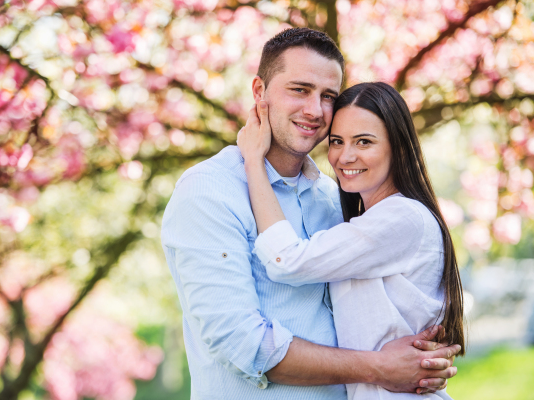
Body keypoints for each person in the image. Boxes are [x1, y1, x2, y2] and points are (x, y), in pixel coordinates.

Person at [161, 28, 461, 400]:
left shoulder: (334, 199)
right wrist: (380, 366)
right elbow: (242, 343)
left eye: (328, 96)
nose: (314, 110)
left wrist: (421, 360)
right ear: (260, 92)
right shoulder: (209, 192)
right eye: (300, 90)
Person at [236, 81, 465, 399]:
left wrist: (253, 161)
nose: (345, 156)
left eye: (364, 142)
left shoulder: (402, 217)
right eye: (337, 141)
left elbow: (285, 261)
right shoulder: (373, 220)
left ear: (397, 147)